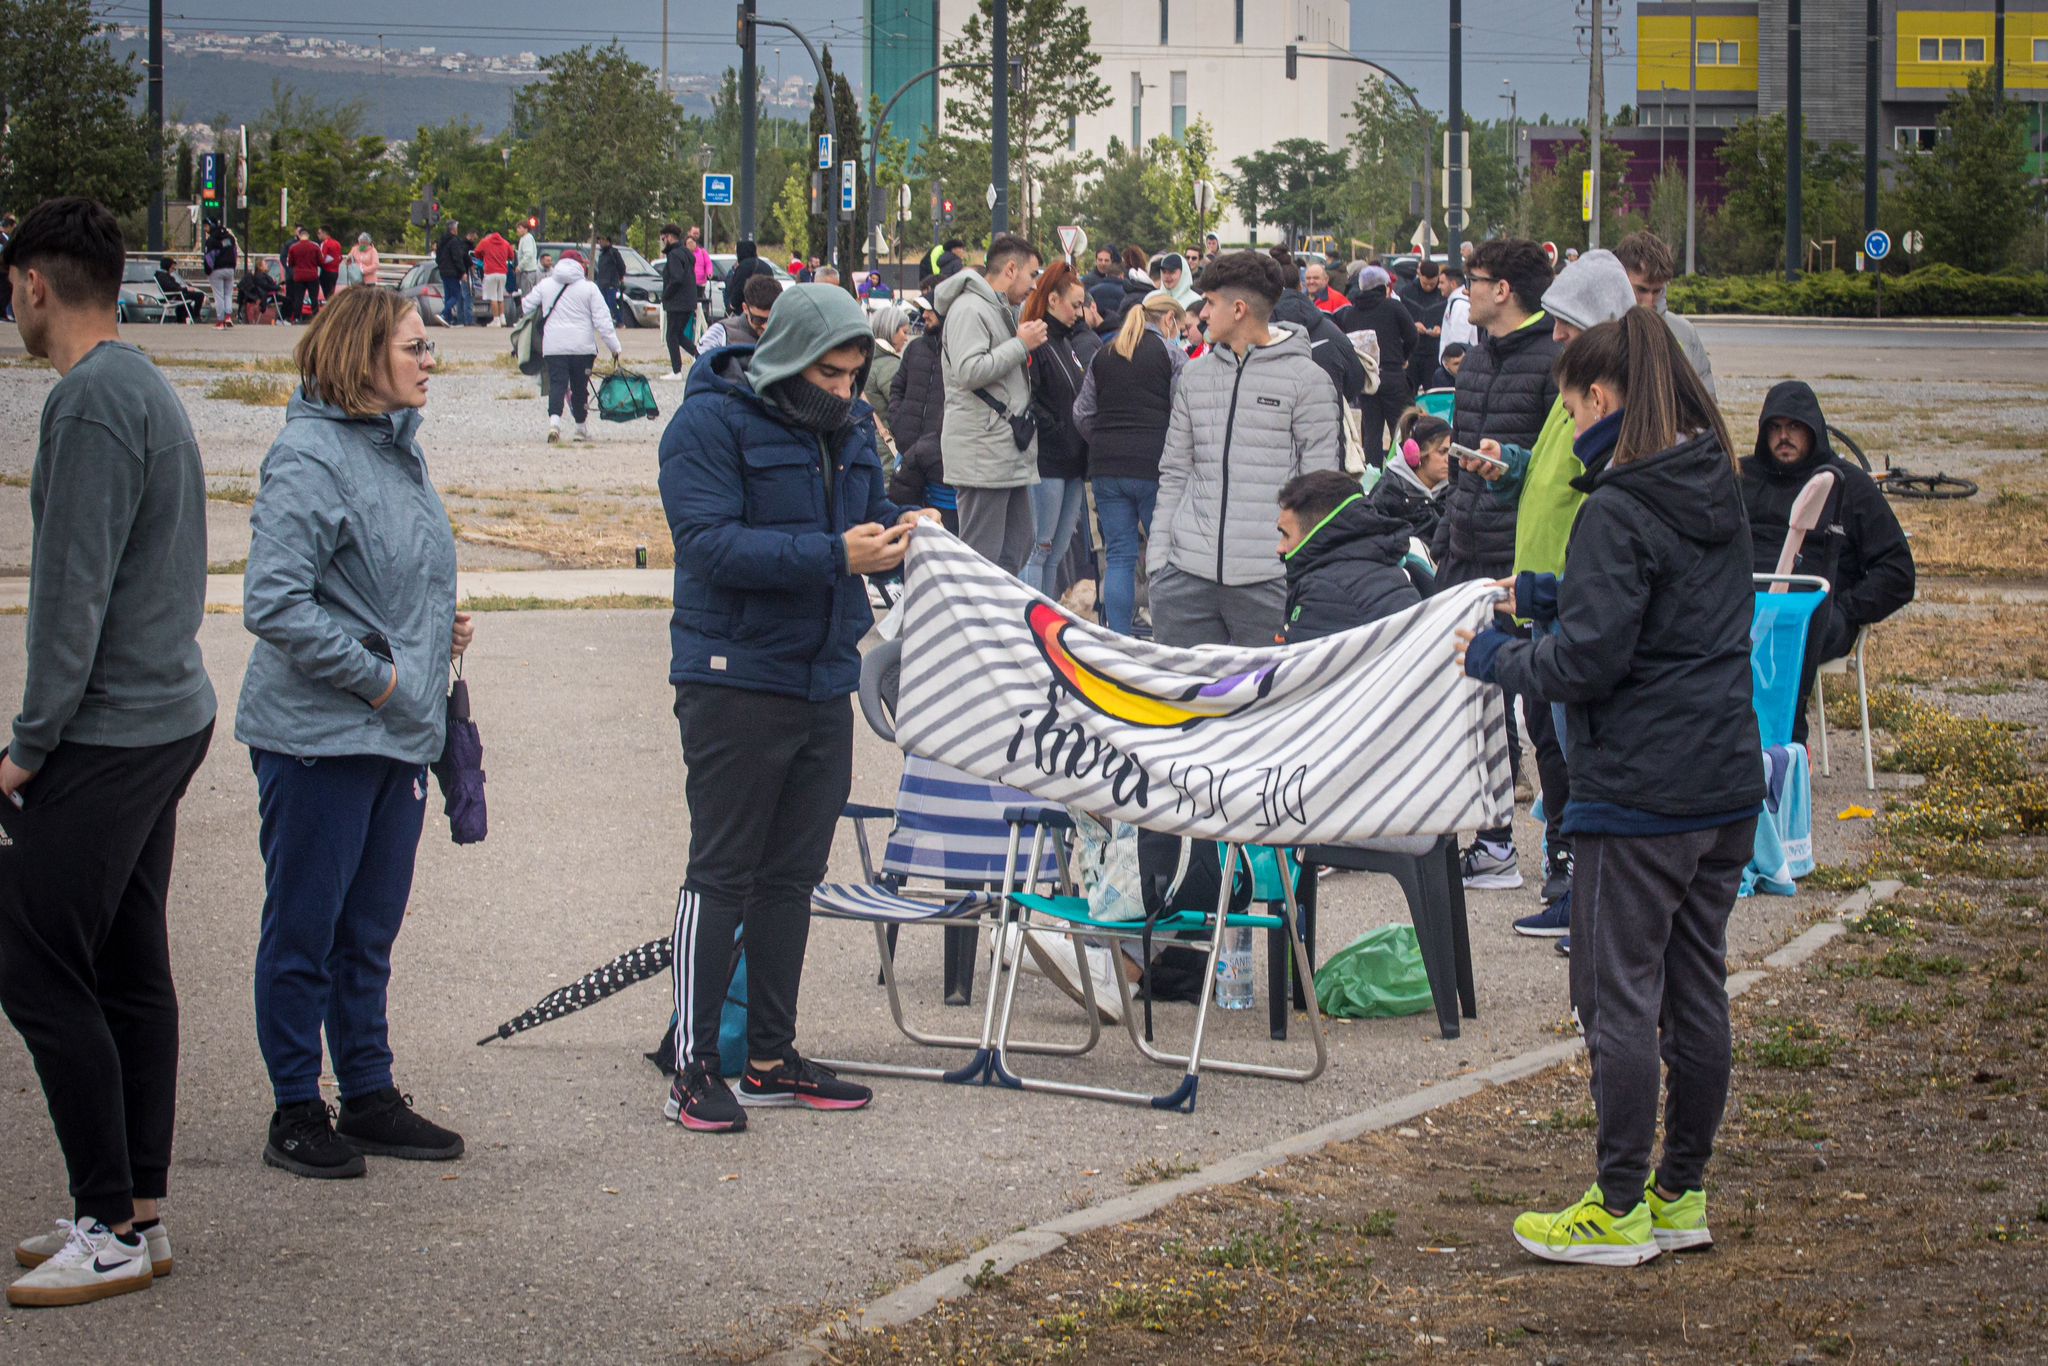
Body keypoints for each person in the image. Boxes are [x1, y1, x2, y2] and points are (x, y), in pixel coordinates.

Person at [1455, 308, 1763, 1268]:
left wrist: (1498, 653)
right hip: (1721, 780)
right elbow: (1664, 604)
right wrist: (1545, 595)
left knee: (1616, 997)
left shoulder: (1618, 506)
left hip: (1639, 790)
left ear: (1599, 397)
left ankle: (1618, 1202)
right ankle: (1681, 1192)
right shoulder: (1710, 481)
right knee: (1694, 986)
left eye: (1570, 403)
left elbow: (1587, 663)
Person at [0, 197, 216, 1310]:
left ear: (36, 282)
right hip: (167, 712)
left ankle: (106, 1220)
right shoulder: (144, 384)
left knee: (36, 968)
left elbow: (67, 596)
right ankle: (137, 1213)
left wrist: (27, 746)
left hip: (110, 729)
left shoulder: (88, 404)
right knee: (130, 968)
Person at [659, 284, 938, 1132]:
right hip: (734, 675)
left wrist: (903, 529)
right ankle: (694, 1065)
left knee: (792, 877)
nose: (848, 393)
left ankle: (773, 1058)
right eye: (833, 374)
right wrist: (833, 555)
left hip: (824, 678)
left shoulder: (850, 429)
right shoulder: (708, 423)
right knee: (723, 872)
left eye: (858, 377)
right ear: (784, 357)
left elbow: (867, 520)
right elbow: (708, 545)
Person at [236, 284, 469, 1183]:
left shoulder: (399, 451)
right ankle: (297, 1106)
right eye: (413, 347)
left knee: (367, 932)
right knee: (305, 929)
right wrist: (378, 677)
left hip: (394, 734)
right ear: (362, 355)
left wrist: (436, 631)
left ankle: (368, 1093)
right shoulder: (308, 456)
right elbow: (275, 603)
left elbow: (386, 579)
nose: (428, 360)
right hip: (320, 738)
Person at [1456, 247, 1637, 931]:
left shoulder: (1616, 397)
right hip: (1543, 588)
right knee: (1551, 736)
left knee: (1568, 746)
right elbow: (1558, 467)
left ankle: (1578, 885)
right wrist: (1516, 465)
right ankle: (1574, 885)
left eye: (1568, 323)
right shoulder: (1579, 386)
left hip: (1573, 594)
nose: (1556, 333)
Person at [1433, 237, 1563, 892]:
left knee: (1543, 707)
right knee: (1476, 701)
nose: (1465, 290)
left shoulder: (1554, 361)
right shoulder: (1478, 360)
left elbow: (1558, 471)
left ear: (1503, 290)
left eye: (1473, 280)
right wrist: (1448, 532)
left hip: (1524, 563)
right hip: (1466, 553)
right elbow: (1461, 457)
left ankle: (1565, 851)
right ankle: (1492, 841)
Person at [1149, 252, 1338, 648]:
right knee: (1184, 705)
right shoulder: (1194, 376)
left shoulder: (1308, 381)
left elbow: (1321, 492)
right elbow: (1175, 472)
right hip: (1185, 580)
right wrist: (1159, 564)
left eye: (1210, 303)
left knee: (1268, 706)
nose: (1200, 314)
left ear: (1238, 309)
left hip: (1269, 582)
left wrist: (1298, 573)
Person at [1740, 382, 1915, 744]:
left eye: (1794, 427)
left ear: (1814, 430)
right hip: (1745, 602)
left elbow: (1897, 572)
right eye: (1775, 427)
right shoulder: (1740, 477)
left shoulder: (1846, 483)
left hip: (1817, 611)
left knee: (1787, 634)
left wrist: (1845, 607)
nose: (1783, 437)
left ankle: (1783, 744)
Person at [1073, 290, 1188, 634]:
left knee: (1119, 556)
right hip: (1155, 467)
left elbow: (1081, 413)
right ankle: (1165, 635)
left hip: (1107, 468)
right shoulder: (1172, 355)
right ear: (1169, 320)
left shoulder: (1104, 354)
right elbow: (1184, 413)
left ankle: (1118, 639)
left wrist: (1106, 440)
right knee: (1164, 556)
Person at [937, 232, 1046, 573]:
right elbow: (968, 371)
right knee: (981, 560)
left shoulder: (996, 308)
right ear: (1011, 269)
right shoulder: (970, 308)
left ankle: (995, 621)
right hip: (981, 452)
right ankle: (975, 623)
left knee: (1017, 545)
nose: (1033, 287)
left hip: (1000, 451)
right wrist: (1020, 345)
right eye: (1031, 275)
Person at [1018, 261, 1098, 598]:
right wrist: (1057, 430)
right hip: (1048, 460)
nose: (1079, 313)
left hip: (1072, 460)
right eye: (1075, 304)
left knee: (1056, 550)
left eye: (1082, 305)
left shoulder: (1065, 344)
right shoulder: (1040, 343)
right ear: (1053, 300)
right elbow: (1029, 397)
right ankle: (1030, 624)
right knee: (1040, 548)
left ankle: (1042, 621)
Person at [1275, 469, 1422, 645]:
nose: (1280, 548)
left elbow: (1304, 669)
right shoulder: (1385, 566)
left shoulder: (1324, 591)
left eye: (1286, 535)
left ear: (1317, 534)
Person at [1267, 249, 1362, 470]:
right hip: (1328, 443)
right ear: (1300, 286)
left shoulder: (1256, 333)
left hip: (1277, 448)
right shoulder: (1331, 331)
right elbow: (1355, 379)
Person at [521, 251, 621, 444]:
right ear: (579, 265)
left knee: (557, 384)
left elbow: (526, 306)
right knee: (579, 387)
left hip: (553, 346)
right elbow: (603, 321)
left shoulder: (546, 284)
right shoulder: (589, 288)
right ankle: (580, 429)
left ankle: (554, 424)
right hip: (582, 348)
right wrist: (614, 347)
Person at [1613, 231, 1715, 401]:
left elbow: (1706, 408)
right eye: (1641, 290)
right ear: (1620, 279)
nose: (1649, 301)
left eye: (1657, 291)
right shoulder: (1602, 332)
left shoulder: (1685, 334)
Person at [1336, 264, 1416, 467]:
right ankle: (1401, 470)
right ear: (1385, 287)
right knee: (1401, 429)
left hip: (1367, 379)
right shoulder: (1393, 307)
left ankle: (1372, 473)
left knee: (1371, 432)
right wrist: (1402, 356)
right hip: (1392, 374)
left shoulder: (1350, 313)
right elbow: (1412, 336)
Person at [888, 292, 954, 531]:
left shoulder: (956, 352)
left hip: (936, 458)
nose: (924, 315)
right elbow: (897, 387)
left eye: (930, 310)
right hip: (906, 450)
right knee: (904, 524)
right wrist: (898, 421)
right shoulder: (915, 348)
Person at [1372, 408, 1452, 546]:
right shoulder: (1388, 493)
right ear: (1417, 454)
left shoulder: (1454, 490)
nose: (1449, 460)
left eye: (1451, 452)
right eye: (1442, 452)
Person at [864, 303, 911, 449]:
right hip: (889, 446)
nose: (907, 338)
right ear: (891, 331)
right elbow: (903, 410)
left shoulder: (866, 361)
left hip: (872, 440)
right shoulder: (890, 365)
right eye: (904, 332)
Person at [657, 224, 700, 380]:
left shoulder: (674, 255)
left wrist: (666, 295)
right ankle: (698, 355)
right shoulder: (685, 253)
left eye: (663, 238)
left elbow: (676, 278)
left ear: (669, 237)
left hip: (677, 302)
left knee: (671, 336)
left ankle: (676, 371)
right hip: (688, 301)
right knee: (678, 334)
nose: (662, 241)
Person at [702, 273, 780, 353]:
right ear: (745, 308)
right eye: (758, 320)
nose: (766, 327)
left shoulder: (786, 333)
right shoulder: (721, 332)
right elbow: (701, 363)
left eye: (772, 319)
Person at [1405, 260, 1447, 391]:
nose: (1428, 287)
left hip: (1434, 352)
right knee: (1408, 393)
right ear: (1419, 275)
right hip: (1412, 352)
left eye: (1432, 284)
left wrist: (1441, 328)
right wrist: (1412, 325)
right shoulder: (1406, 292)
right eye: (1425, 283)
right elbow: (1399, 320)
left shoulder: (1443, 294)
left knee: (1433, 392)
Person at [433, 222, 471, 327]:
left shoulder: (442, 241)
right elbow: (457, 258)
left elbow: (438, 257)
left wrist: (441, 266)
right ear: (454, 230)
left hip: (443, 271)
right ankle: (444, 314)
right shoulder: (454, 241)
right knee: (456, 294)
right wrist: (463, 271)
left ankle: (448, 319)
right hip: (452, 272)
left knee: (448, 295)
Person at [475, 226, 514, 327]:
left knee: (493, 297)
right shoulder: (505, 243)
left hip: (490, 272)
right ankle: (502, 318)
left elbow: (477, 252)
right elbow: (511, 256)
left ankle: (495, 319)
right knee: (500, 295)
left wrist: (483, 257)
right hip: (502, 273)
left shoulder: (485, 242)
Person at [724, 238, 773, 317]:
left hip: (745, 309)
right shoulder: (766, 266)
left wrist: (732, 305)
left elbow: (738, 288)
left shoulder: (743, 266)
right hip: (764, 307)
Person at [152, 256, 208, 323]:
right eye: (172, 267)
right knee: (199, 295)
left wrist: (185, 288)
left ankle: (183, 318)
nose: (173, 269)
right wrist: (186, 289)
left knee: (188, 301)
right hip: (175, 296)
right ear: (168, 267)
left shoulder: (164, 275)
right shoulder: (163, 276)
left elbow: (174, 286)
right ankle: (196, 316)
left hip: (177, 294)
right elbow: (172, 288)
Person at [205, 223, 238, 330]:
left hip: (217, 270)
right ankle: (228, 316)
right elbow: (235, 253)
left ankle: (220, 321)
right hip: (230, 269)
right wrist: (233, 265)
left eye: (206, 226)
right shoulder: (230, 239)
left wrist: (208, 271)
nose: (205, 228)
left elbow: (209, 257)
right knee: (228, 293)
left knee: (218, 295)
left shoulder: (211, 241)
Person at [1438, 266, 1475, 357]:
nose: (1439, 286)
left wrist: (1452, 363)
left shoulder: (1460, 305)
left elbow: (1459, 341)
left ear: (1453, 284)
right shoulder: (1454, 302)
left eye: (1442, 283)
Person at [592, 233, 627, 324]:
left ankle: (620, 321)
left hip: (611, 283)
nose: (600, 242)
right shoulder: (601, 254)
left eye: (602, 240)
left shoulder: (614, 252)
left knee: (612, 303)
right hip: (602, 283)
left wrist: (620, 277)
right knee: (604, 305)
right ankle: (608, 321)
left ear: (608, 241)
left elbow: (622, 266)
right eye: (598, 240)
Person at [238, 259, 283, 325]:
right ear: (260, 267)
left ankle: (282, 319)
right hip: (266, 295)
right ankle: (281, 319)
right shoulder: (260, 276)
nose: (267, 265)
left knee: (287, 300)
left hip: (266, 294)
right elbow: (266, 286)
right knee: (287, 301)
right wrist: (278, 288)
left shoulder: (262, 275)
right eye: (265, 264)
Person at [514, 220, 540, 306]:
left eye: (519, 228)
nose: (517, 230)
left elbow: (528, 254)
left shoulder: (527, 238)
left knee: (527, 295)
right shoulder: (524, 238)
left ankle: (528, 314)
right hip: (527, 271)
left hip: (528, 272)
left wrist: (520, 266)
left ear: (526, 229)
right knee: (526, 294)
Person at [315, 227, 342, 305]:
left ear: (324, 233)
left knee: (327, 296)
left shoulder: (325, 243)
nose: (318, 235)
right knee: (331, 294)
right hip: (335, 271)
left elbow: (322, 258)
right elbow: (340, 258)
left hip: (326, 271)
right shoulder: (337, 243)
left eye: (319, 233)